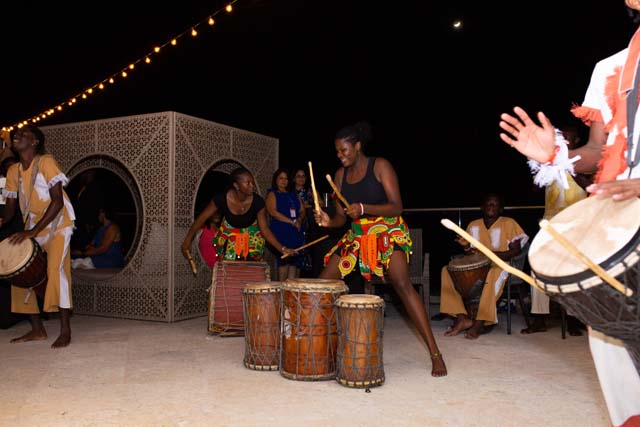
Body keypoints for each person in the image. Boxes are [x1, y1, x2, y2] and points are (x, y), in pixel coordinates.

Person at [498, 2, 640, 421]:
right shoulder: (612, 68)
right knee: (617, 355)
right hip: (621, 223)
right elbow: (598, 151)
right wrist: (556, 156)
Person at [313, 121, 447, 377]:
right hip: (358, 235)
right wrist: (330, 221)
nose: (340, 155)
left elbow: (397, 206)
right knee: (322, 284)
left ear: (357, 146)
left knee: (402, 284)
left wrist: (364, 208)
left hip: (386, 231)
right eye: (337, 151)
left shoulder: (380, 166)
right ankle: (318, 347)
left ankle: (435, 353)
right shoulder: (340, 176)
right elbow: (341, 217)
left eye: (344, 150)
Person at [0, 124, 76, 348]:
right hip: (34, 225)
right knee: (17, 269)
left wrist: (32, 232)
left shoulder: (46, 162)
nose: (17, 135)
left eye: (24, 134)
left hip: (59, 224)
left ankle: (65, 330)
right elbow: (10, 209)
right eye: (15, 134)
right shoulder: (13, 171)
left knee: (55, 271)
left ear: (35, 142)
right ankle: (37, 329)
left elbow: (58, 201)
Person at [523, 124, 590, 335]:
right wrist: (544, 167)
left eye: (568, 137)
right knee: (538, 266)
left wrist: (567, 165)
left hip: (576, 221)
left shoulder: (584, 159)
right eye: (561, 137)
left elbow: (589, 185)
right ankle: (539, 317)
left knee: (574, 269)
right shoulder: (549, 160)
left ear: (577, 140)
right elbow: (534, 189)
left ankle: (573, 319)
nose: (564, 140)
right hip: (550, 221)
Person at [439, 193, 529, 339]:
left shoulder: (509, 223)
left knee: (492, 274)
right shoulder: (473, 225)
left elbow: (515, 251)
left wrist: (490, 256)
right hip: (477, 267)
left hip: (500, 265)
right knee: (447, 270)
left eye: (495, 204)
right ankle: (461, 318)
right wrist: (466, 247)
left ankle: (479, 323)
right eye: (488, 203)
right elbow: (470, 254)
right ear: (482, 207)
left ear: (501, 209)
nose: (491, 206)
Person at [181, 167, 295, 265]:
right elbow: (201, 219)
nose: (252, 186)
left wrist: (282, 248)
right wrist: (187, 240)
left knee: (250, 269)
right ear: (236, 185)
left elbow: (265, 230)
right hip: (229, 236)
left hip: (251, 237)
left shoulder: (258, 202)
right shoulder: (221, 199)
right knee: (229, 269)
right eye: (248, 183)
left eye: (252, 182)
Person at [265, 168, 306, 281]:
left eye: (286, 179)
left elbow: (302, 210)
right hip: (281, 232)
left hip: (295, 232)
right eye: (281, 178)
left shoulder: (293, 194)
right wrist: (291, 221)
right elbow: (273, 212)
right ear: (275, 180)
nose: (284, 181)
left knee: (294, 263)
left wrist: (299, 219)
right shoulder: (272, 193)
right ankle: (282, 289)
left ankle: (291, 290)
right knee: (283, 262)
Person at [69, 169, 104, 251]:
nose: (83, 175)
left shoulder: (94, 187)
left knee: (84, 245)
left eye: (86, 173)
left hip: (86, 224)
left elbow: (92, 206)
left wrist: (89, 222)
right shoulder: (83, 187)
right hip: (78, 222)